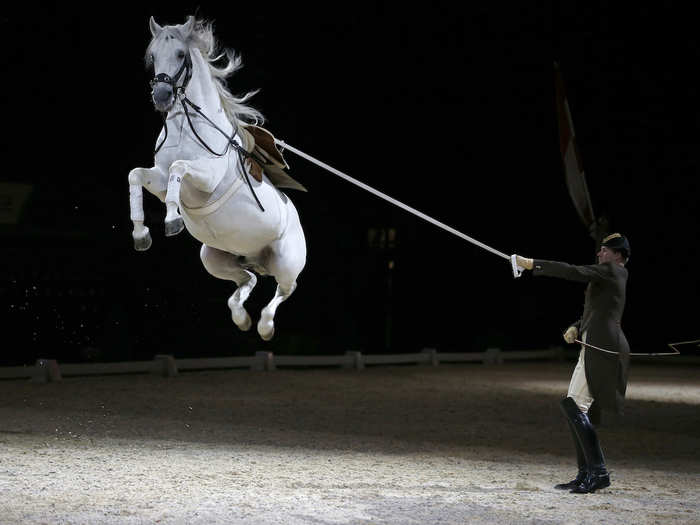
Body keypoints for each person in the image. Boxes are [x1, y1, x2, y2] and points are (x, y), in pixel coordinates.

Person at [515, 233, 631, 494]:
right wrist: (576, 327)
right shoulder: (609, 274)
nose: (600, 254)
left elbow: (572, 271)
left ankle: (598, 473)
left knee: (575, 406)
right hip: (591, 343)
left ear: (617, 255)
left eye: (604, 250)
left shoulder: (614, 271)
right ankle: (585, 473)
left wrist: (532, 263)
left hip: (603, 347)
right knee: (573, 406)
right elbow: (598, 310)